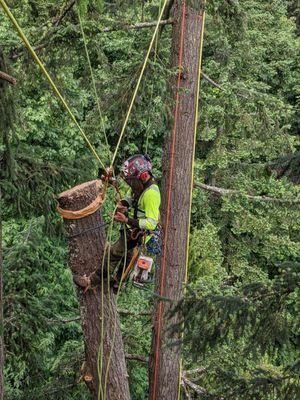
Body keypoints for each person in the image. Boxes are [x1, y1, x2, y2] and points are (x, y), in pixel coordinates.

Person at [74, 154, 161, 290]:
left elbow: (151, 223)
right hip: (132, 228)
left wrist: (126, 219)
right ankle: (118, 282)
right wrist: (123, 203)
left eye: (131, 181)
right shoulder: (139, 186)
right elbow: (131, 197)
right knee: (126, 256)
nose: (130, 184)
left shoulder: (152, 194)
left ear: (142, 177)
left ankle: (91, 281)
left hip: (140, 234)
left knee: (114, 253)